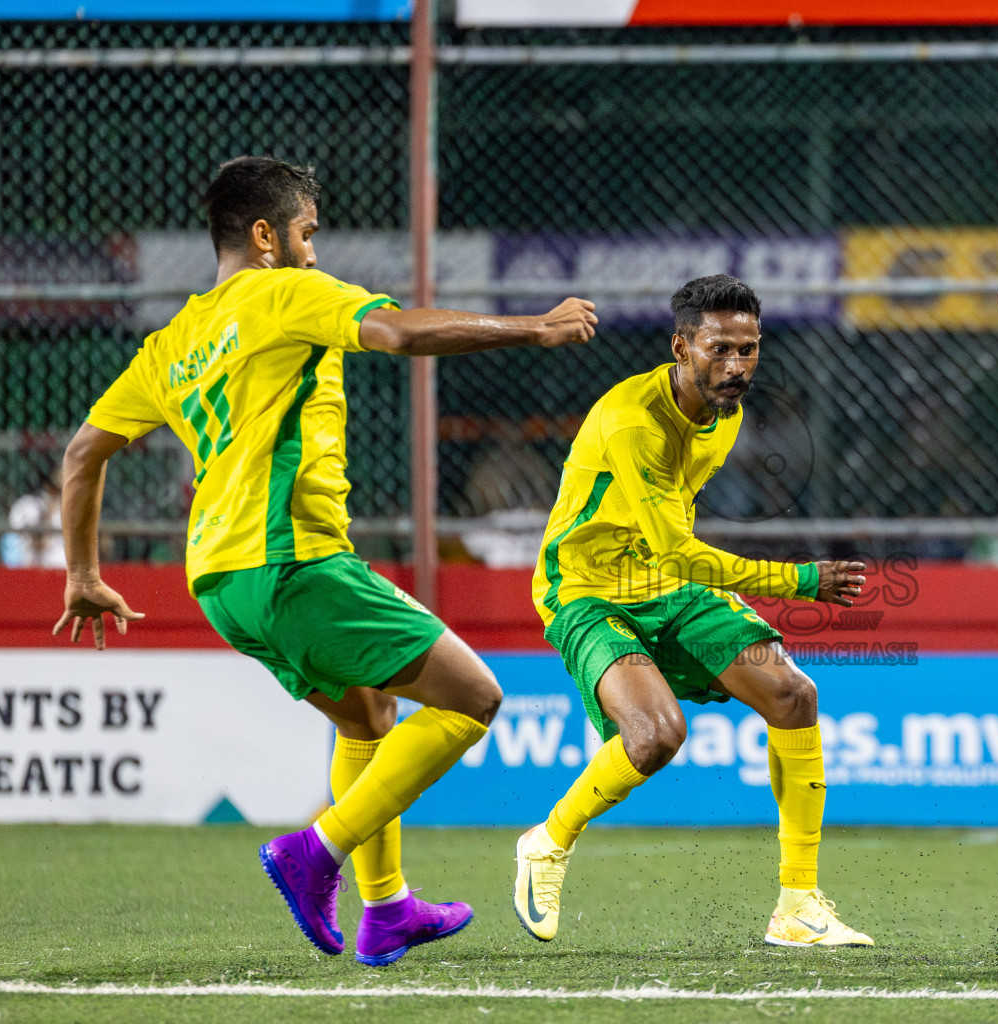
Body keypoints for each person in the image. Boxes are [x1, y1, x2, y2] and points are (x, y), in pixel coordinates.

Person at [51, 156, 598, 966]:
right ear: (265, 235)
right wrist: (534, 327)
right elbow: (397, 332)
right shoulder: (285, 293)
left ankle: (388, 910)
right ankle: (316, 850)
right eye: (306, 232)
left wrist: (82, 575)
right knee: (474, 697)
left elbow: (82, 455)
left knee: (367, 717)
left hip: (221, 582)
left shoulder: (173, 343)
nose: (313, 250)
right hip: (294, 561)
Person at [512, 274, 873, 949]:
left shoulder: (724, 413)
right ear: (681, 347)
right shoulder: (635, 422)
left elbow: (672, 547)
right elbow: (677, 548)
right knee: (655, 737)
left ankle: (797, 905)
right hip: (586, 588)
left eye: (748, 349)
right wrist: (798, 581)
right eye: (719, 350)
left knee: (793, 695)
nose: (736, 366)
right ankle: (547, 841)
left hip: (667, 585)